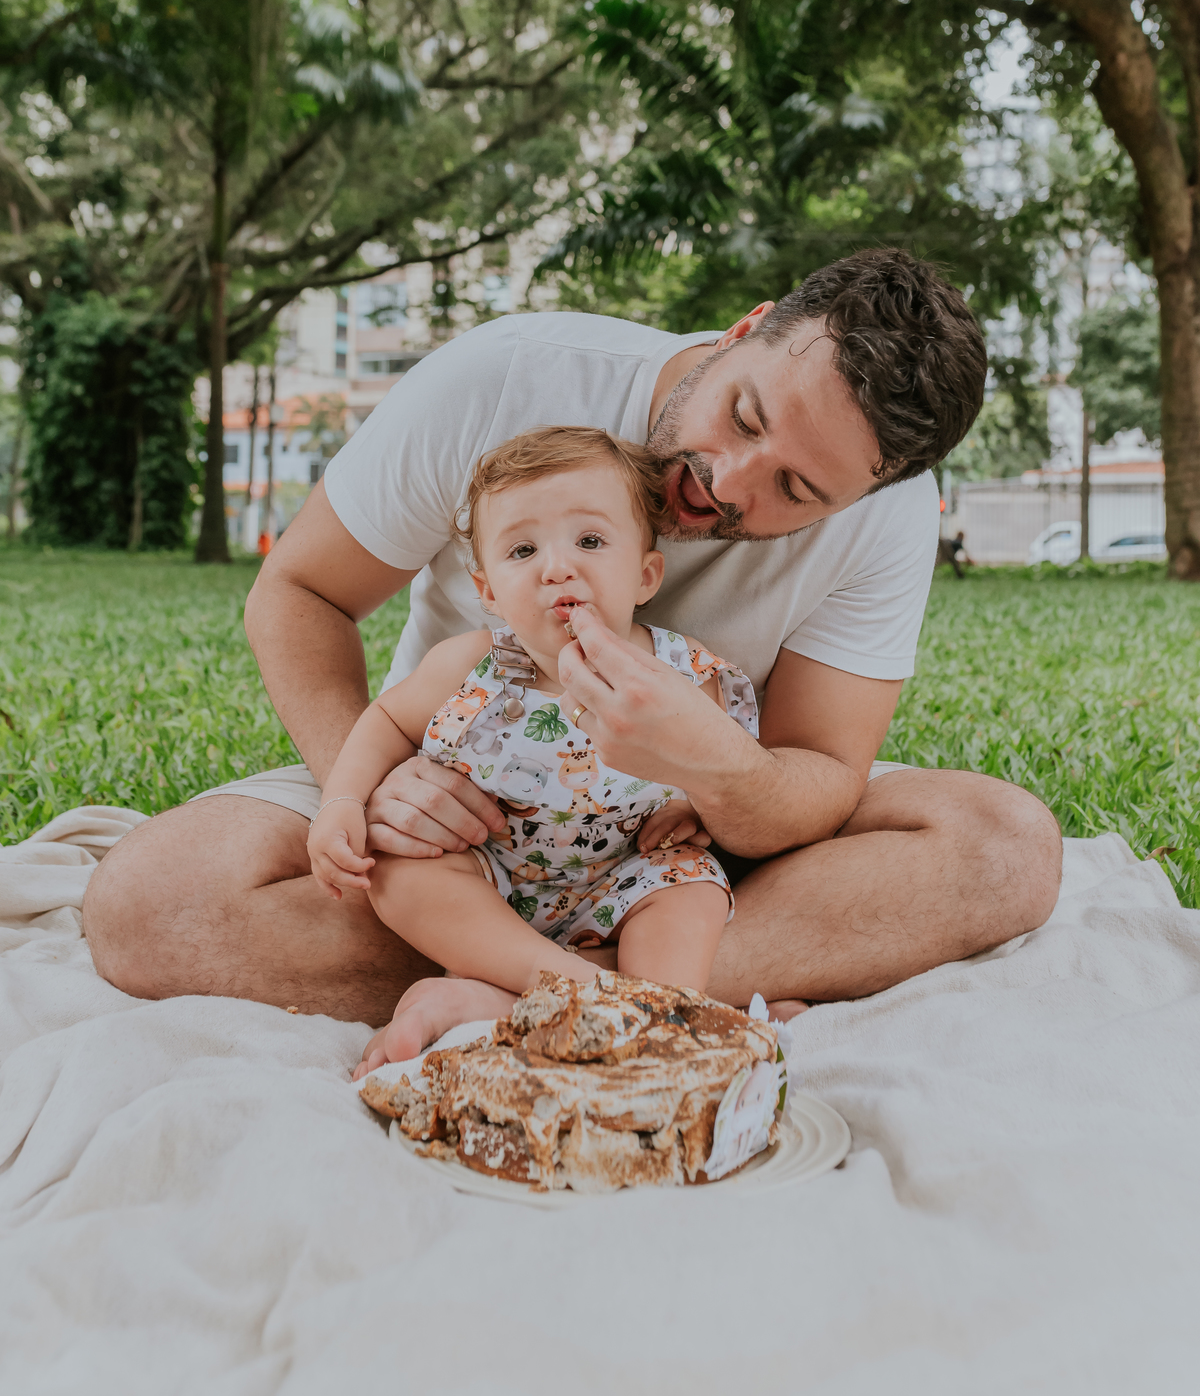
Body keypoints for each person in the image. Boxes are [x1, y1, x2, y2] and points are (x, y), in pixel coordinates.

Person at [83, 248, 1063, 1024]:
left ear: (863, 494)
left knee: (1006, 847)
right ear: (748, 329)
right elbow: (297, 591)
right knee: (150, 902)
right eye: (744, 414)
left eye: (795, 491)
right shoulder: (508, 377)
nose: (726, 480)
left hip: (683, 854)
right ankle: (651, 998)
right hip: (465, 818)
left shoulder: (884, 520)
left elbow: (819, 773)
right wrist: (375, 781)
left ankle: (540, 992)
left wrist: (720, 770)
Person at [311, 426, 758, 1072]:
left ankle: (645, 1008)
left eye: (591, 541)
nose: (557, 567)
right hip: (491, 872)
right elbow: (385, 721)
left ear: (645, 574)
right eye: (522, 550)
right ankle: (601, 997)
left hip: (625, 877)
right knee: (398, 869)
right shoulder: (469, 666)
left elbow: (728, 770)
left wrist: (700, 807)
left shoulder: (685, 678)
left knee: (692, 887)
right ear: (488, 591)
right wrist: (343, 800)